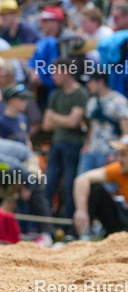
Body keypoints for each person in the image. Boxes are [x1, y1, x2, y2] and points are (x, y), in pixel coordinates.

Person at [42, 57, 90, 226]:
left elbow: (73, 122)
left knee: (70, 186)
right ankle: (45, 226)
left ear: (66, 72)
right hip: (57, 143)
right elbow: (46, 124)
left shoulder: (81, 93)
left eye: (55, 72)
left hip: (73, 144)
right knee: (49, 184)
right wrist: (65, 118)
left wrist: (55, 116)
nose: (53, 76)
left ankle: (68, 226)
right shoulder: (56, 94)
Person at [73, 135, 128, 238]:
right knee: (95, 189)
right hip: (122, 224)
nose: (119, 159)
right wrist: (81, 210)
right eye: (119, 154)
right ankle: (78, 237)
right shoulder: (119, 169)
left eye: (124, 155)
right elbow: (81, 180)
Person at [80, 71, 128, 177]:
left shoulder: (119, 101)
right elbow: (92, 126)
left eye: (91, 82)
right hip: (91, 151)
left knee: (108, 190)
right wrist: (86, 146)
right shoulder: (92, 101)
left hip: (109, 153)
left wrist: (117, 154)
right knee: (82, 182)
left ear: (100, 82)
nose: (88, 85)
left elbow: (126, 131)